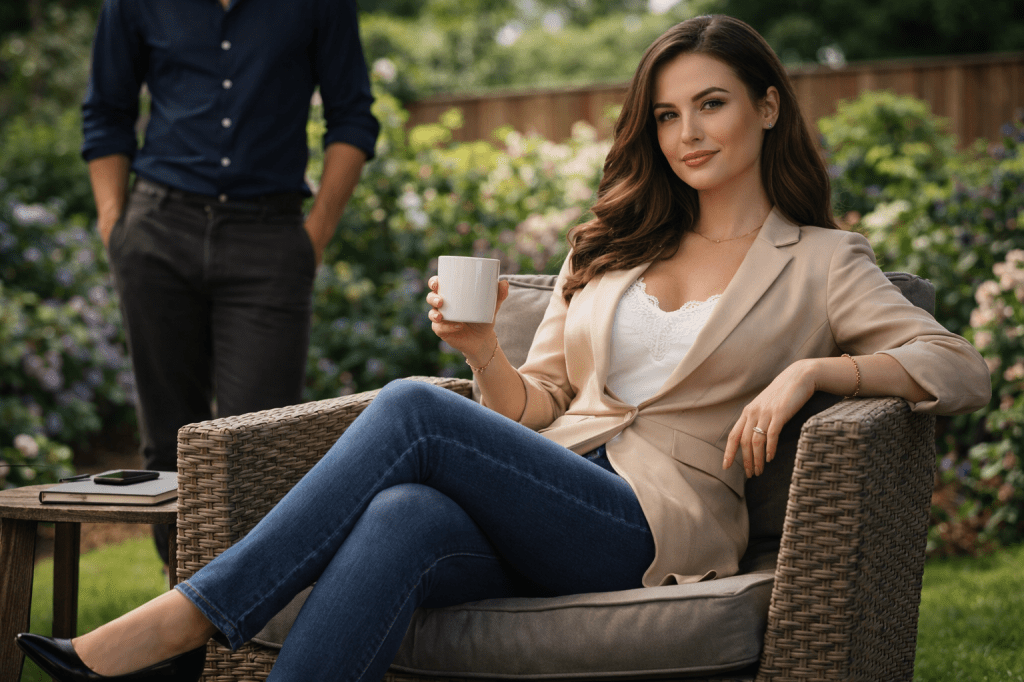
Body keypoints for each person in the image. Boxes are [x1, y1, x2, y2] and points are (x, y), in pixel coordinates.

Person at [18, 14, 990, 682]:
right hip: (560, 485)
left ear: (767, 105)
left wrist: (812, 371)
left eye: (711, 103)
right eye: (666, 113)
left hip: (657, 525)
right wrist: (485, 351)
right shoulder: (608, 247)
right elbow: (542, 404)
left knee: (408, 405)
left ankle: (181, 619)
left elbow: (956, 367)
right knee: (401, 512)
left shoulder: (818, 261)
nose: (685, 131)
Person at [80, 0, 379, 564]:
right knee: (168, 443)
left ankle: (244, 630)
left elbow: (353, 118)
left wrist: (311, 239)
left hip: (268, 238)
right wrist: (115, 226)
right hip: (158, 233)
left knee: (259, 447)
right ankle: (185, 625)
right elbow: (106, 111)